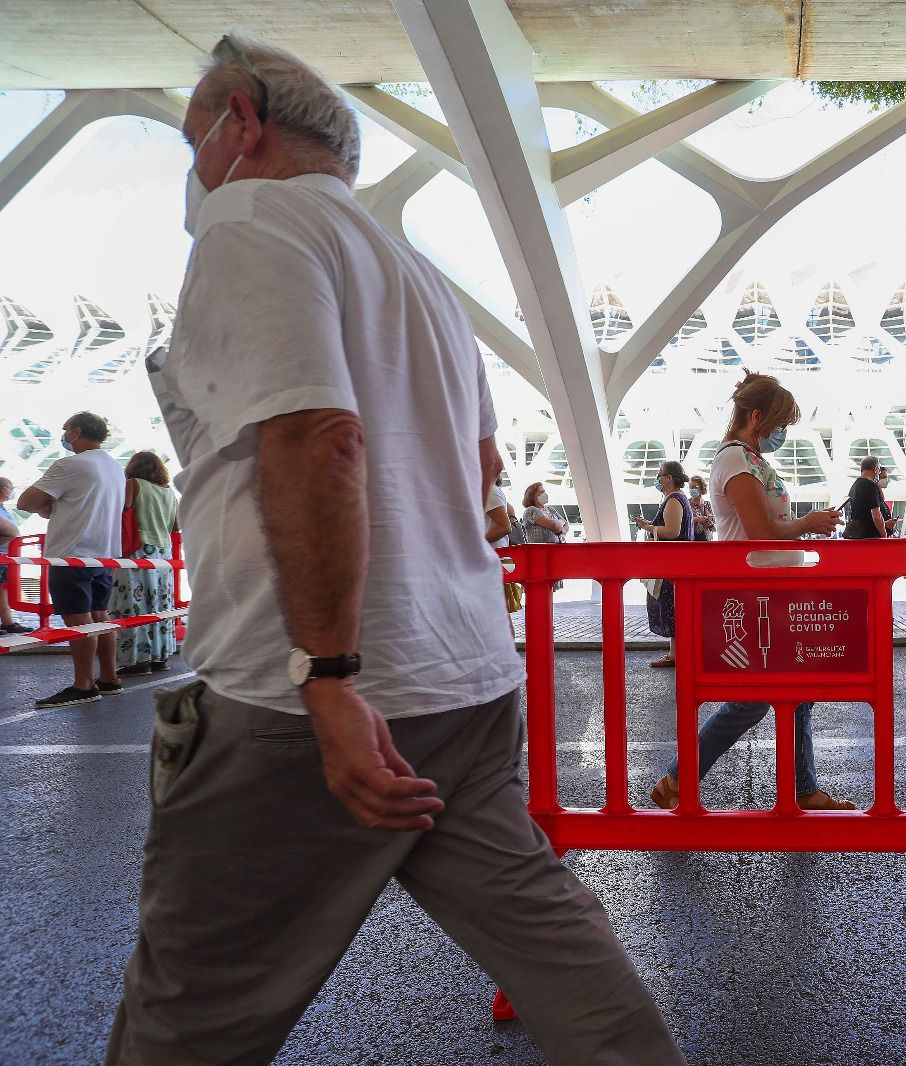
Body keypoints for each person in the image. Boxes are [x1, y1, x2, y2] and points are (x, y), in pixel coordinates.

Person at [109, 34, 683, 1066]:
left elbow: (317, 439)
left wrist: (327, 673)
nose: (192, 174)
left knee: (196, 1004)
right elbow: (477, 474)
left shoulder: (253, 217)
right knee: (549, 936)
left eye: (196, 141)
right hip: (461, 679)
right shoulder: (418, 277)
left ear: (244, 122)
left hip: (305, 699)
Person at [650, 371, 850, 812]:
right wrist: (807, 524)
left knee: (796, 692)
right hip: (757, 595)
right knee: (755, 699)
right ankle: (678, 777)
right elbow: (759, 532)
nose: (783, 432)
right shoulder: (737, 461)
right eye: (779, 423)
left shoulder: (747, 459)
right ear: (756, 417)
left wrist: (801, 531)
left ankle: (803, 788)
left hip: (773, 592)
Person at [17, 411, 125, 706]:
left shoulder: (71, 464)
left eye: (65, 430)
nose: (63, 435)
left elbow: (25, 501)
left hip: (71, 554)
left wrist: (46, 506)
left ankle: (83, 684)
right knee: (100, 617)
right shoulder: (115, 467)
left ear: (77, 432)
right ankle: (109, 678)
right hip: (104, 555)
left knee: (79, 621)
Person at [111, 451, 180, 675]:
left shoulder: (133, 484)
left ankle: (138, 660)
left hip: (137, 550)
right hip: (164, 552)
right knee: (161, 604)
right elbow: (175, 527)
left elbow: (122, 512)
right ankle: (161, 656)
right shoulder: (169, 493)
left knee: (134, 603)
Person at [637, 460, 695, 668]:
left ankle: (677, 655)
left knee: (671, 607)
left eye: (660, 474)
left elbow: (672, 532)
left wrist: (649, 527)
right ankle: (675, 654)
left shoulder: (673, 500)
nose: (657, 478)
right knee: (674, 608)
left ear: (669, 478)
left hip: (672, 565)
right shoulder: (678, 499)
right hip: (676, 563)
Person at [0, 476, 27, 634]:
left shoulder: (4, 508)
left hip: (6, 557)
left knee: (2, 590)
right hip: (2, 555)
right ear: (4, 490)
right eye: (11, 488)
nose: (12, 492)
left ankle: (8, 622)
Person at [842, 455, 888, 539]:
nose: (878, 473)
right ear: (875, 469)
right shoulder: (870, 485)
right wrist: (884, 536)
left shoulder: (855, 485)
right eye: (878, 470)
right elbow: (876, 515)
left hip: (857, 534)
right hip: (869, 536)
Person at [688, 474, 715, 540]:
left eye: (695, 487)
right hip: (692, 541)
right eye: (690, 488)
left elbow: (714, 527)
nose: (692, 490)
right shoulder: (687, 504)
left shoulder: (707, 504)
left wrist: (710, 524)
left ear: (702, 487)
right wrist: (697, 519)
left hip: (707, 541)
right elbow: (682, 522)